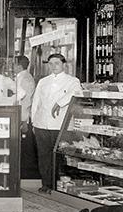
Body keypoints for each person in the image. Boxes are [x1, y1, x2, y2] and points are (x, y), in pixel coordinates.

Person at [30, 53, 82, 194]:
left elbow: (76, 92)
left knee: (58, 156)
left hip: (60, 125)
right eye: (51, 64)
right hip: (41, 124)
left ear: (64, 64)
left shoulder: (72, 81)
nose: (53, 66)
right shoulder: (43, 81)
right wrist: (33, 121)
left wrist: (59, 103)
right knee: (44, 156)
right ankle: (46, 184)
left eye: (57, 63)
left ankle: (58, 186)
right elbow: (36, 102)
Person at [14, 55, 36, 125]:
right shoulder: (22, 77)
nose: (11, 67)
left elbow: (18, 97)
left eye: (13, 64)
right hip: (20, 115)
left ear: (19, 66)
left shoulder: (24, 79)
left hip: (23, 117)